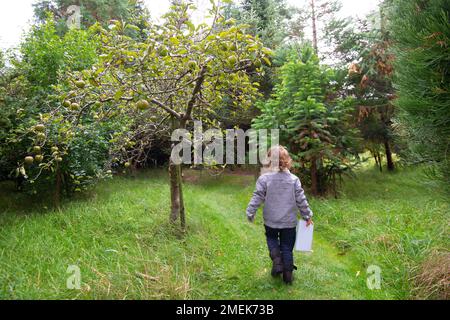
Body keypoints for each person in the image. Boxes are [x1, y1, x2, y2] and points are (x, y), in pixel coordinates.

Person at [246, 145, 313, 284]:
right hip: (289, 222)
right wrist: (307, 216)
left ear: (269, 161)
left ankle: (277, 261)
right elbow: (301, 200)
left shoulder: (264, 179)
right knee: (287, 247)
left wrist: (250, 211)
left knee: (271, 239)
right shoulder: (294, 180)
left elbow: (257, 196)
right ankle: (287, 276)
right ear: (287, 160)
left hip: (271, 220)